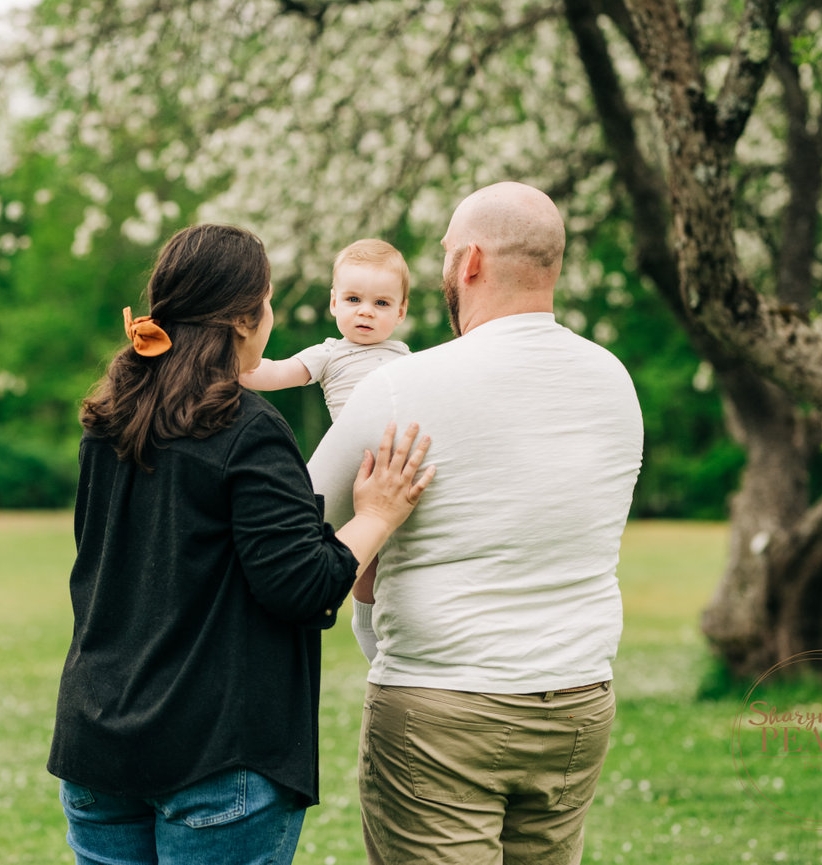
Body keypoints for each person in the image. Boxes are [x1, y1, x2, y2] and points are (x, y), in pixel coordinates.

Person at [46, 223, 436, 865]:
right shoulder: (246, 429)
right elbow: (301, 586)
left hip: (98, 738)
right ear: (243, 319)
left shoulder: (112, 413)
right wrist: (377, 515)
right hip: (217, 749)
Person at [307, 183, 644, 865]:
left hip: (442, 707)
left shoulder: (404, 388)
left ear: (469, 264)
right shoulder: (614, 380)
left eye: (443, 255)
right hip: (578, 700)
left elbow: (297, 522)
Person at [239, 238, 411, 421]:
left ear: (400, 312)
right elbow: (277, 373)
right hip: (352, 445)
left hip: (405, 443)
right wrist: (232, 367)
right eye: (354, 299)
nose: (366, 311)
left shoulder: (403, 354)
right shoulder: (329, 353)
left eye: (381, 303)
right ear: (334, 303)